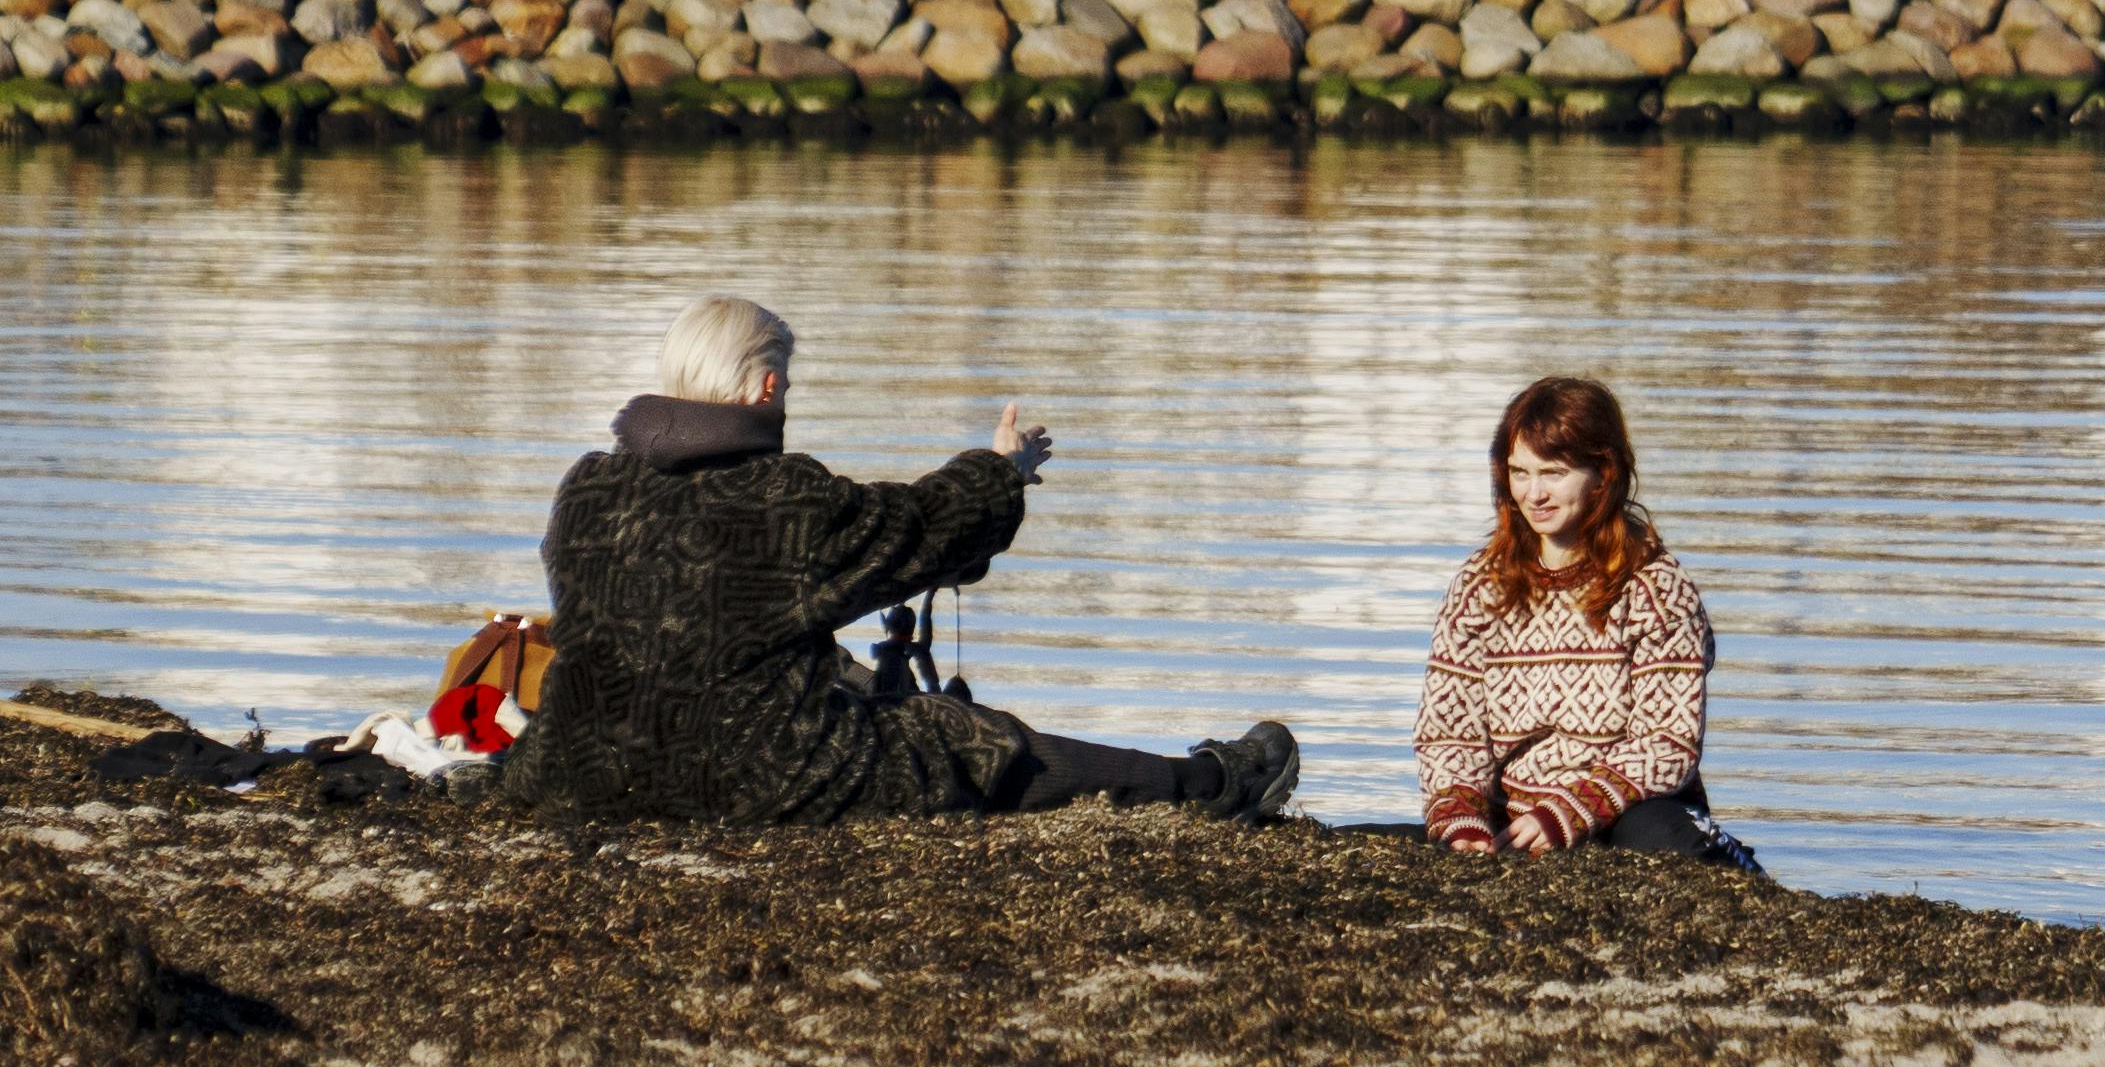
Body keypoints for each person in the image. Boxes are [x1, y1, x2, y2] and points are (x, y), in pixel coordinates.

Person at [520, 295, 1299, 824]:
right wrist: (1003, 470)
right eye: (785, 384)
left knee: (828, 675)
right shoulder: (784, 499)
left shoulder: (587, 487)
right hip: (749, 776)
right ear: (765, 386)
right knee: (967, 738)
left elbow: (680, 617)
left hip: (578, 768)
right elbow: (926, 528)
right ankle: (1209, 785)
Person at [1413, 375, 1737, 860]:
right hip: (1514, 822)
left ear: (1603, 474)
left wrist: (1570, 811)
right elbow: (1448, 732)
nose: (1534, 493)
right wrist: (1463, 821)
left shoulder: (1657, 586)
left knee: (1669, 846)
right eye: (1520, 473)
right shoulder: (1480, 584)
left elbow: (1669, 743)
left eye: (1554, 472)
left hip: (1632, 813)